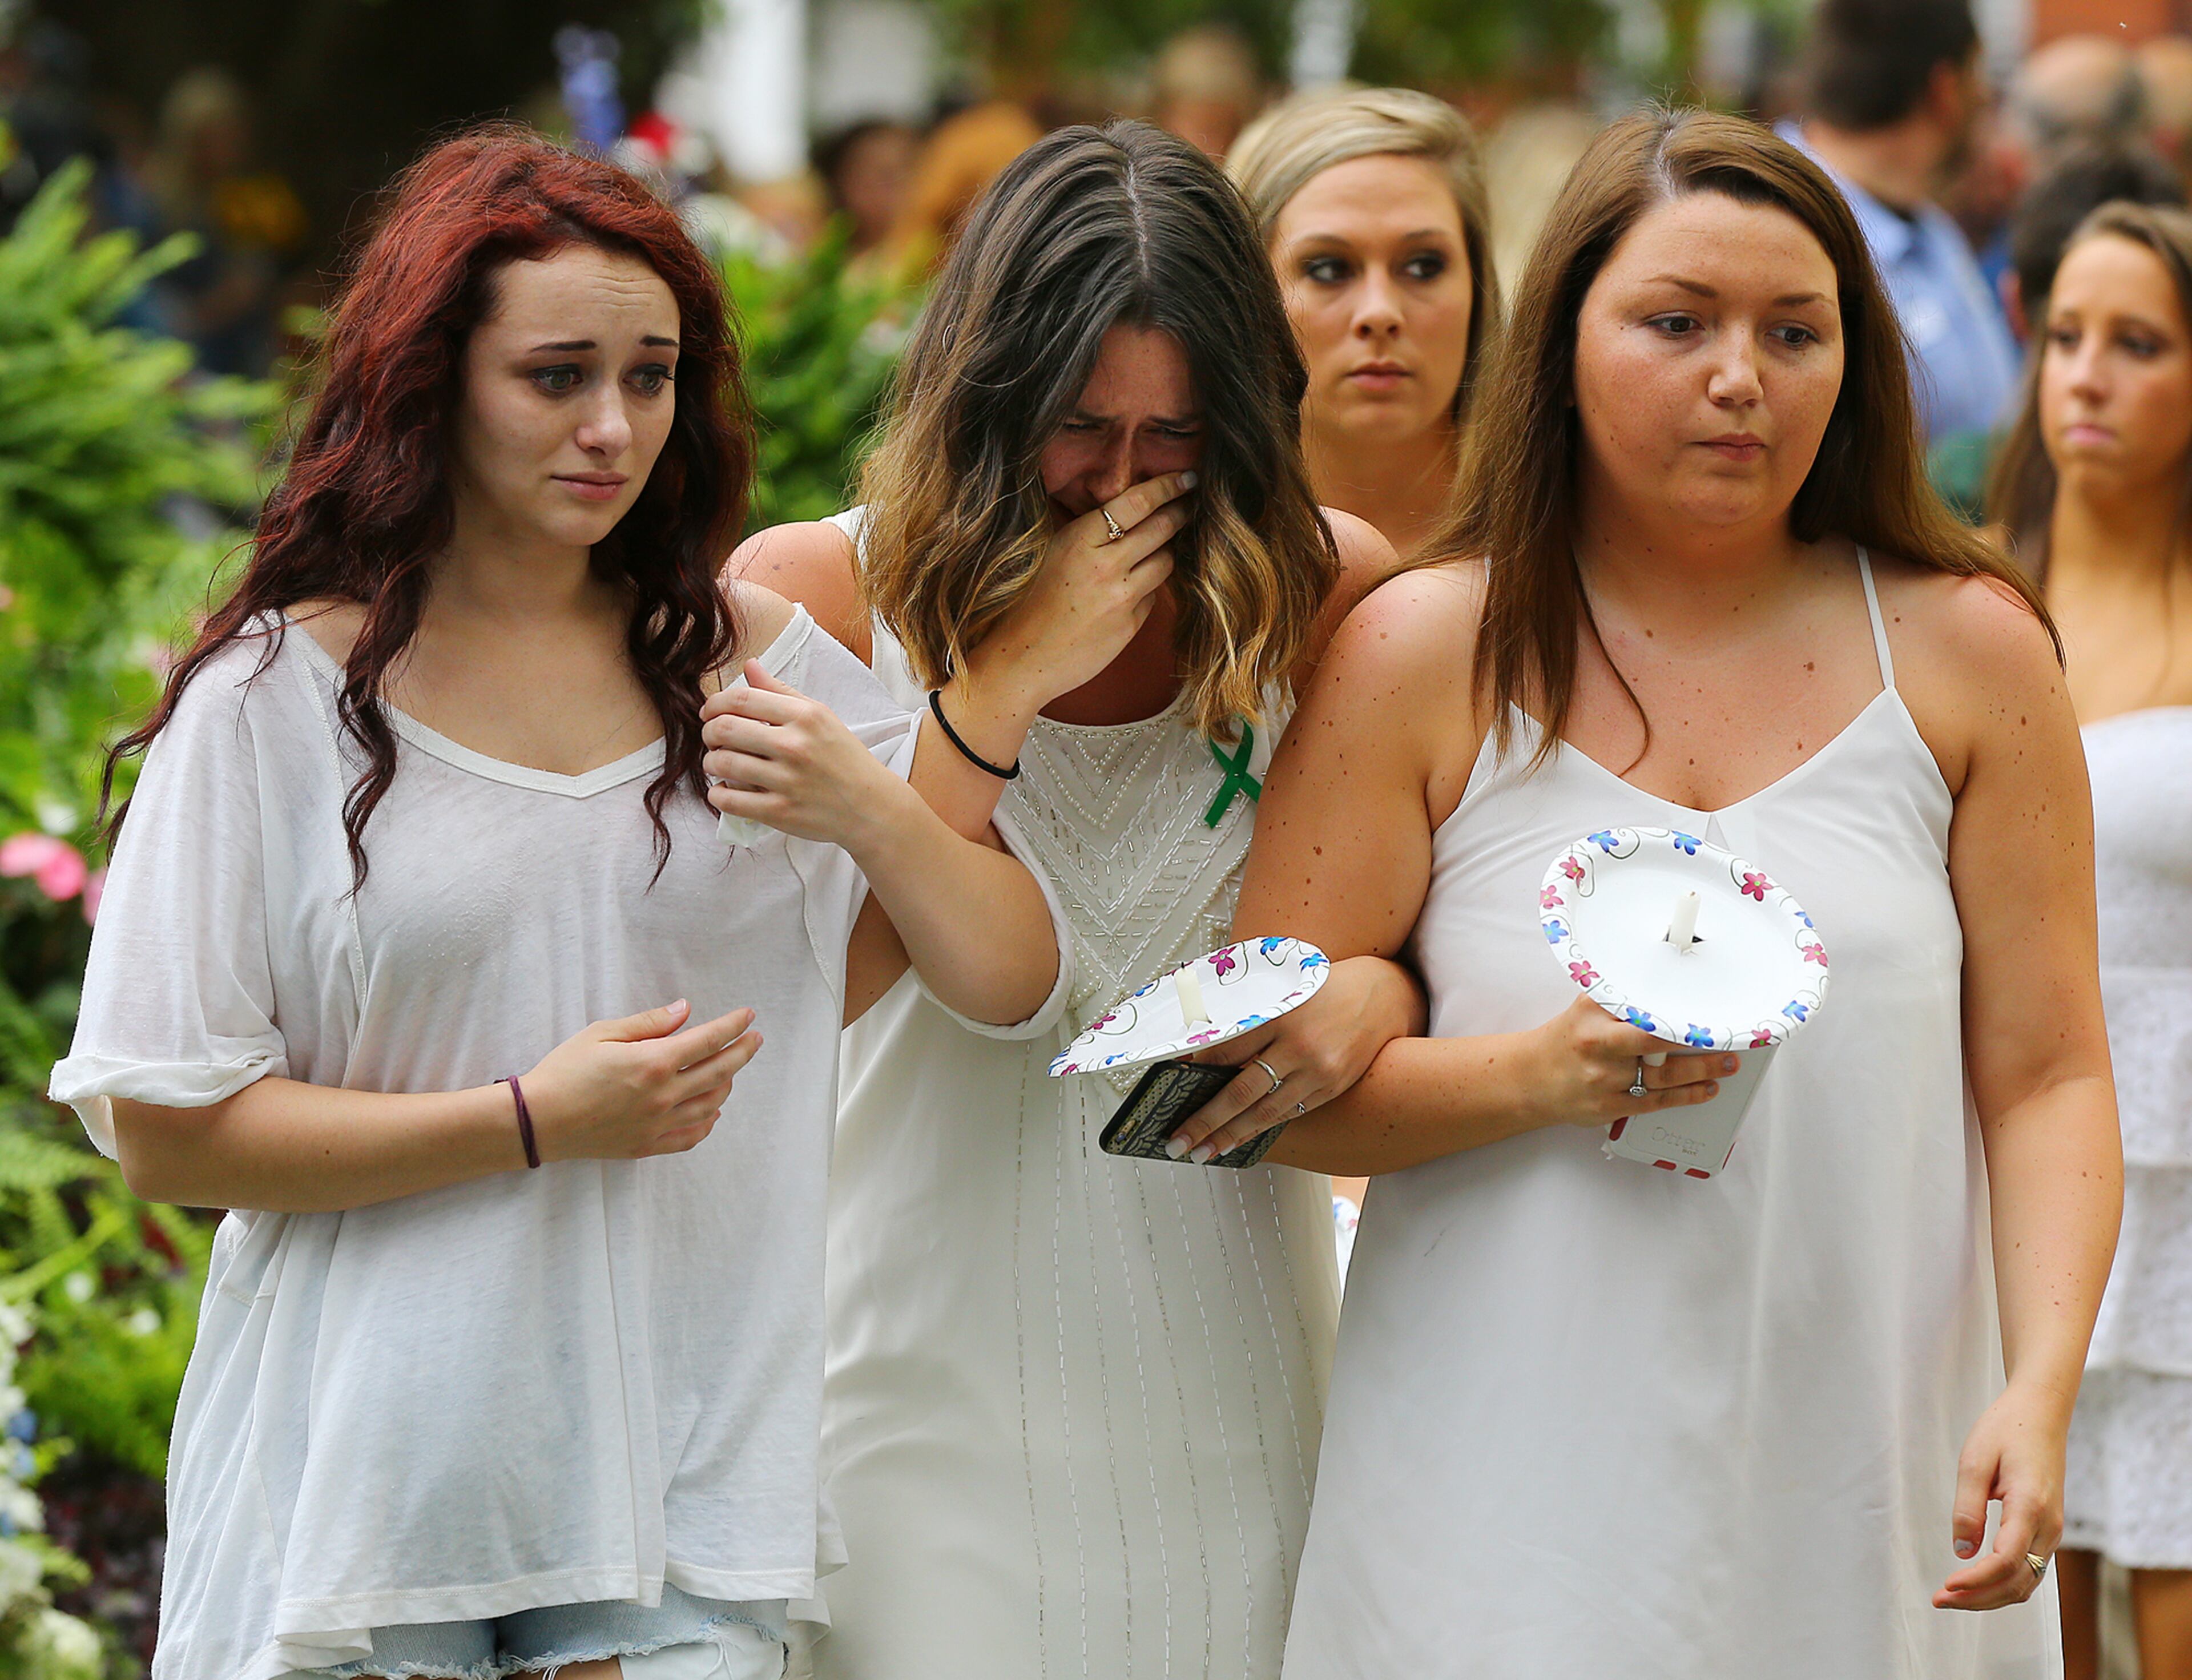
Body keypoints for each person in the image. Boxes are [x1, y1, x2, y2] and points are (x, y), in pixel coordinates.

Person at [47, 129, 1060, 1680]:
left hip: (689, 1482)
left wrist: (893, 784)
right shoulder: (271, 701)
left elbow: (970, 970)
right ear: (432, 379)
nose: (613, 425)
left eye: (651, 376)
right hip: (373, 1496)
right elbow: (163, 1124)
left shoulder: (758, 662)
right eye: (557, 375)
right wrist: (529, 1113)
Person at [1174, 108, 2123, 1678]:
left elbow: (2049, 1070)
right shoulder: (1422, 650)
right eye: (1676, 322)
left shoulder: (1971, 652)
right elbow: (1260, 1092)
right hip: (1494, 1507)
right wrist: (1533, 1075)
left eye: (1794, 329)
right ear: (1560, 341)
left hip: (1868, 1483)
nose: (1739, 375)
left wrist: (2038, 1386)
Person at [734, 120, 1412, 1680]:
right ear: (986, 397)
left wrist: (1380, 989)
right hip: (914, 1362)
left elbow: (1418, 935)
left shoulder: (1331, 586)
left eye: (1173, 437)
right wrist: (996, 692)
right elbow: (796, 992)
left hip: (1237, 1346)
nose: (1119, 480)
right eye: (1079, 426)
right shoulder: (818, 591)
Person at [1987, 202, 2192, 1680]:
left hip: (2187, 1176)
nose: (2090, 376)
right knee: (2022, 1599)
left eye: (2139, 343)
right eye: (2066, 337)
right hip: (2014, 1151)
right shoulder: (1970, 593)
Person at [1227, 87, 1500, 562]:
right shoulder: (1189, 557)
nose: (1380, 313)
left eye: (1422, 266)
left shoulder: (1566, 535)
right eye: (1329, 269)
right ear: (1252, 292)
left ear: (1478, 285)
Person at [1783, 0, 2021, 444]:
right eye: (1979, 74)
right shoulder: (1776, 222)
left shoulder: (1930, 226)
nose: (1986, 96)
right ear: (1945, 90)